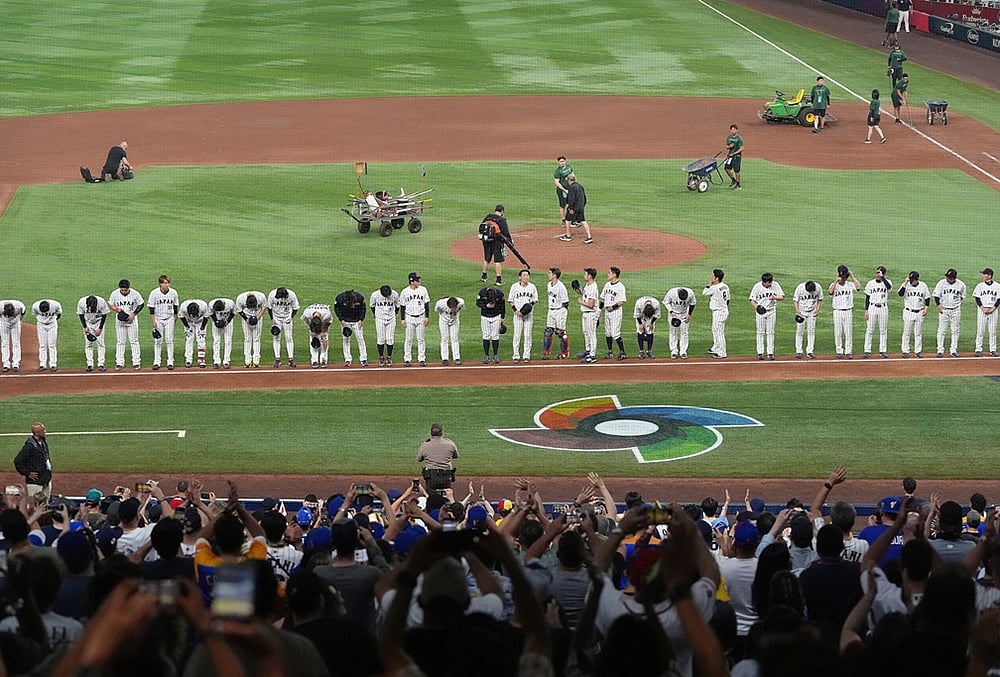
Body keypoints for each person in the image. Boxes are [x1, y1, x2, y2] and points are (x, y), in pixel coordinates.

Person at [108, 279, 145, 371]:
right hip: (120, 322)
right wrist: (118, 310)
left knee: (134, 341)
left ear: (129, 288)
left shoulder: (135, 294)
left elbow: (141, 304)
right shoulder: (115, 294)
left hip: (132, 321)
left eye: (125, 290)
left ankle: (136, 362)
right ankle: (119, 362)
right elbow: (111, 304)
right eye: (122, 290)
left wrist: (134, 314)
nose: (123, 291)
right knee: (120, 341)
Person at [750, 272, 785, 360]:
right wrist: (757, 307)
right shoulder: (757, 286)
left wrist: (775, 297)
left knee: (771, 332)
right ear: (764, 282)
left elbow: (782, 296)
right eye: (768, 283)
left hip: (771, 311)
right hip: (761, 312)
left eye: (770, 282)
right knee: (760, 332)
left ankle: (770, 353)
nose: (770, 284)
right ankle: (760, 352)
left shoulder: (775, 285)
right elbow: (752, 299)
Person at [147, 274, 179, 371]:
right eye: (164, 283)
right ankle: (157, 361)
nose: (166, 285)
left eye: (167, 283)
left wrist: (174, 319)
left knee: (169, 340)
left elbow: (175, 307)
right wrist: (153, 322)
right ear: (160, 284)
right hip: (158, 319)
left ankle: (170, 361)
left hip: (169, 318)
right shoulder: (154, 293)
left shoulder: (173, 293)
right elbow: (151, 309)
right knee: (158, 341)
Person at [829, 265, 861, 359]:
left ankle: (848, 351)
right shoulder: (834, 285)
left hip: (848, 311)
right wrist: (836, 281)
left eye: (843, 278)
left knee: (848, 332)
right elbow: (830, 292)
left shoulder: (850, 284)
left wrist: (852, 276)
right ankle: (839, 350)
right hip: (837, 311)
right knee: (838, 332)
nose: (842, 280)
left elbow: (859, 287)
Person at [14, 422, 52, 501]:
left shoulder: (43, 442)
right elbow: (18, 460)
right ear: (37, 433)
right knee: (34, 505)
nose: (45, 431)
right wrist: (27, 473)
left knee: (45, 505)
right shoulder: (30, 446)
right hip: (35, 482)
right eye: (42, 430)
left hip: (45, 479)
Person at [399, 272, 430, 367]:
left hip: (421, 317)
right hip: (409, 317)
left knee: (421, 339)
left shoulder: (423, 290)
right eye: (417, 280)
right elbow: (402, 306)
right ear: (412, 281)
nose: (419, 281)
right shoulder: (405, 292)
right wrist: (402, 319)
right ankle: (407, 359)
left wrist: (427, 317)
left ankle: (422, 358)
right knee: (408, 339)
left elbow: (426, 304)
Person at [934, 268, 966, 358]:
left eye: (950, 277)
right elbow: (936, 295)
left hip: (955, 310)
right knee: (942, 330)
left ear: (954, 277)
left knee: (955, 330)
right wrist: (938, 305)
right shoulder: (941, 283)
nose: (947, 279)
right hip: (944, 309)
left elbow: (962, 296)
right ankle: (940, 350)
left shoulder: (961, 285)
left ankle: (953, 350)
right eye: (947, 277)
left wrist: (955, 304)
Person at [416, 422, 458, 491]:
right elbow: (456, 456)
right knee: (446, 498)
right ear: (442, 433)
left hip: (432, 478)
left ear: (431, 433)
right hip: (446, 477)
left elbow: (418, 459)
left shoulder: (425, 445)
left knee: (432, 499)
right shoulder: (450, 444)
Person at [508, 269, 538, 362]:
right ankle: (516, 355)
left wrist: (527, 309)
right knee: (517, 335)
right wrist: (516, 311)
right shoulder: (514, 287)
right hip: (517, 315)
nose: (526, 277)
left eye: (527, 275)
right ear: (520, 277)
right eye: (524, 275)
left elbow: (535, 299)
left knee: (528, 335)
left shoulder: (532, 287)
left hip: (528, 315)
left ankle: (526, 355)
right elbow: (510, 300)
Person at [898, 270, 931, 357]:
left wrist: (926, 307)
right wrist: (905, 283)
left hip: (919, 312)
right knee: (907, 332)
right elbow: (900, 294)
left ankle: (918, 351)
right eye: (910, 279)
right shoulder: (906, 285)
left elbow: (927, 297)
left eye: (913, 279)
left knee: (918, 333)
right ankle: (905, 351)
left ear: (917, 279)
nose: (911, 281)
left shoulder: (923, 286)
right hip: (908, 312)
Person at [863, 265, 893, 358]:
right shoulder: (870, 283)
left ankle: (883, 350)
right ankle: (867, 350)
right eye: (876, 272)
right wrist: (866, 310)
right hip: (872, 307)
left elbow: (888, 287)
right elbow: (867, 297)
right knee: (869, 330)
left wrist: (883, 277)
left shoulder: (887, 282)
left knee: (883, 330)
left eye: (879, 272)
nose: (877, 274)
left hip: (883, 308)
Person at [267, 286, 300, 368]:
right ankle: (277, 359)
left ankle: (291, 359)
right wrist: (272, 319)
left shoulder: (291, 295)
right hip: (276, 317)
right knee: (276, 338)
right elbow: (269, 308)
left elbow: (296, 307)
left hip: (287, 317)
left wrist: (291, 317)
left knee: (289, 338)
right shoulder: (272, 294)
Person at [334, 288, 368, 367]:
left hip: (357, 321)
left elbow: (363, 309)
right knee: (346, 340)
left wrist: (361, 319)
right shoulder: (339, 298)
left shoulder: (360, 298)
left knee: (360, 339)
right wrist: (341, 319)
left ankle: (363, 358)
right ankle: (347, 359)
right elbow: (336, 309)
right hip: (345, 322)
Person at [479, 205, 511, 286]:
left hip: (486, 240)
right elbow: (505, 233)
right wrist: (509, 241)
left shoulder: (488, 217)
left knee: (487, 259)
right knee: (498, 260)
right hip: (496, 242)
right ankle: (498, 279)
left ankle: (484, 276)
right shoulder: (501, 220)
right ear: (502, 211)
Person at [76, 294, 109, 372]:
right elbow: (81, 314)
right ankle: (89, 364)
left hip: (99, 321)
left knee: (100, 343)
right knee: (88, 344)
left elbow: (104, 315)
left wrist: (100, 328)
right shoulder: (81, 302)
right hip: (88, 322)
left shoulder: (101, 302)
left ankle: (101, 364)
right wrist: (85, 327)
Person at [543, 267, 570, 360]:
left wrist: (562, 314)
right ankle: (546, 352)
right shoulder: (549, 285)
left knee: (560, 332)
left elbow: (566, 302)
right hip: (551, 310)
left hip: (560, 310)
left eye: (549, 273)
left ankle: (565, 353)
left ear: (554, 275)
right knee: (548, 332)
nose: (548, 275)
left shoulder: (561, 287)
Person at [601, 266, 628, 360]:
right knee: (608, 332)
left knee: (615, 333)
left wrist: (612, 307)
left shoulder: (620, 286)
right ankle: (610, 352)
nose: (608, 274)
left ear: (614, 275)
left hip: (616, 312)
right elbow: (603, 298)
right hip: (607, 312)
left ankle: (622, 352)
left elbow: (622, 301)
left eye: (609, 273)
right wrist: (600, 310)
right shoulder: (607, 285)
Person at [235, 290, 266, 368]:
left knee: (257, 338)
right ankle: (247, 360)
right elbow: (239, 310)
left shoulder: (261, 297)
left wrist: (258, 317)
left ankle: (256, 360)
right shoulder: (240, 298)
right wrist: (246, 319)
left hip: (258, 317)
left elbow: (264, 307)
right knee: (247, 339)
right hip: (246, 317)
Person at [663, 285, 696, 359]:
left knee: (684, 332)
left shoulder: (690, 293)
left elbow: (692, 303)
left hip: (684, 314)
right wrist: (671, 311)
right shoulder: (671, 292)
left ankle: (683, 351)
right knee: (673, 332)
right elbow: (666, 302)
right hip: (673, 314)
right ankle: (674, 351)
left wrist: (689, 315)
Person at [703, 268, 730, 359]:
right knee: (715, 330)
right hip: (723, 310)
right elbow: (728, 300)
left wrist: (710, 283)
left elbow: (704, 292)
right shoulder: (725, 286)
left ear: (716, 278)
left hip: (719, 312)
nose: (711, 277)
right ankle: (716, 347)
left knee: (719, 332)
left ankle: (722, 352)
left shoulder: (714, 288)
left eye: (713, 276)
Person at [370, 284, 399, 366]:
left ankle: (389, 357)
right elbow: (372, 306)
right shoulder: (375, 295)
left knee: (390, 338)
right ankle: (381, 357)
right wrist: (375, 314)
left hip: (391, 318)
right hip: (379, 318)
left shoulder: (395, 294)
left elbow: (397, 305)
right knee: (380, 338)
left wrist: (396, 313)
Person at [575, 268, 600, 362]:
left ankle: (592, 356)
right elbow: (586, 296)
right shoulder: (587, 285)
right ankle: (588, 351)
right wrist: (580, 292)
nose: (584, 275)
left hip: (591, 313)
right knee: (585, 332)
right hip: (586, 313)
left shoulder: (593, 287)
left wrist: (581, 302)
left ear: (590, 276)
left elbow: (591, 304)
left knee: (591, 334)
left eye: (585, 274)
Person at [793, 280, 823, 359]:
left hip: (812, 312)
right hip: (801, 312)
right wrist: (797, 311)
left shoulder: (818, 288)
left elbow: (820, 300)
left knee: (811, 331)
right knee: (799, 331)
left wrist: (817, 310)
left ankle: (810, 351)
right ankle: (799, 351)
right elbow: (795, 300)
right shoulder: (800, 288)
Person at [559, 174, 593, 243]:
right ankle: (589, 237)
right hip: (581, 207)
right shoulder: (580, 186)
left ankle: (568, 236)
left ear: (569, 180)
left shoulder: (571, 187)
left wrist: (571, 208)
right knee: (583, 221)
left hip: (574, 208)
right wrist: (582, 206)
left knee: (568, 220)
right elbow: (584, 198)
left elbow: (571, 199)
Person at [476, 284, 506, 364]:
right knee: (486, 335)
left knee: (495, 335)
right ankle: (486, 355)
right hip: (485, 316)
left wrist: (502, 317)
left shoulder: (500, 294)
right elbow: (478, 303)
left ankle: (495, 355)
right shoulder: (482, 292)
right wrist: (486, 306)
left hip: (496, 315)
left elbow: (503, 305)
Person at [30, 298, 61, 372]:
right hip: (41, 325)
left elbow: (59, 314)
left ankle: (53, 364)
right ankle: (42, 364)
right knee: (42, 345)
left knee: (52, 345)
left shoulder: (56, 305)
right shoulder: (35, 306)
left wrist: (51, 320)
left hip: (52, 325)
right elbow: (35, 314)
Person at [974, 267, 999, 357]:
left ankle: (993, 349)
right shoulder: (979, 286)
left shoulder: (997, 286)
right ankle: (978, 349)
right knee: (980, 330)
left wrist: (993, 308)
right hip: (982, 311)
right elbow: (977, 298)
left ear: (989, 276)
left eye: (984, 274)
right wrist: (982, 308)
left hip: (993, 311)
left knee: (992, 331)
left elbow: (999, 299)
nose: (983, 276)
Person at [178, 299, 210, 368]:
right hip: (188, 321)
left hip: (200, 321)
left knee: (201, 339)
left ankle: (201, 360)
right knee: (189, 339)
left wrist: (202, 327)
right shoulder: (183, 307)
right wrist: (187, 326)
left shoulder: (203, 306)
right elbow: (182, 317)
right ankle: (188, 359)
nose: (193, 316)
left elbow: (206, 317)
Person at [434, 296, 464, 365]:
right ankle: (445, 358)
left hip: (455, 321)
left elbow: (461, 309)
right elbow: (438, 311)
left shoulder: (461, 303)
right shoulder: (440, 304)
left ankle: (456, 358)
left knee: (455, 339)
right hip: (443, 321)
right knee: (444, 339)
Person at [301, 302, 333, 368]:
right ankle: (314, 360)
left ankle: (323, 359)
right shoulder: (306, 314)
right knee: (313, 341)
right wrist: (311, 330)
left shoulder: (327, 315)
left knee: (324, 338)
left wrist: (323, 332)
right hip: (312, 324)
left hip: (324, 324)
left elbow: (328, 323)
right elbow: (306, 321)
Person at [208, 296, 236, 369]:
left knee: (228, 341)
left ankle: (226, 361)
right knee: (216, 341)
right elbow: (211, 313)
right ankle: (216, 361)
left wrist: (227, 321)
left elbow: (233, 313)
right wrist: (216, 321)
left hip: (228, 323)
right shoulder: (211, 304)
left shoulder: (230, 303)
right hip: (217, 321)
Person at [0, 299, 25, 373]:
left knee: (16, 343)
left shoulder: (20, 305)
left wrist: (20, 321)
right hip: (4, 323)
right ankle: (6, 364)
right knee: (4, 343)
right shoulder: (0, 307)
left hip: (15, 324)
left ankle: (16, 364)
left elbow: (23, 312)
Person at [633, 295, 661, 359]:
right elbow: (637, 315)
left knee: (650, 330)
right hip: (641, 316)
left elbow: (656, 315)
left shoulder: (656, 304)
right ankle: (641, 351)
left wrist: (651, 323)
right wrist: (640, 324)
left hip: (651, 317)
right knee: (640, 331)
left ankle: (649, 351)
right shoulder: (639, 304)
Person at [553, 156, 574, 225]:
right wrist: (564, 190)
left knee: (572, 204)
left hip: (570, 189)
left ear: (565, 161)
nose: (561, 163)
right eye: (560, 161)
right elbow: (556, 182)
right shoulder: (558, 171)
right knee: (562, 205)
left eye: (563, 161)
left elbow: (573, 176)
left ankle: (572, 219)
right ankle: (563, 220)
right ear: (558, 162)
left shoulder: (569, 168)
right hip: (562, 190)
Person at [724, 124, 744, 190]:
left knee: (737, 171)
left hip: (737, 156)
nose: (732, 131)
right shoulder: (729, 137)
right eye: (731, 130)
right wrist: (730, 147)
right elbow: (726, 147)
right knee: (726, 168)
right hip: (730, 156)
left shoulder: (739, 138)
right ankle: (733, 180)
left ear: (736, 130)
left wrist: (734, 153)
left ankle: (738, 185)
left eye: (734, 129)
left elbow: (742, 148)